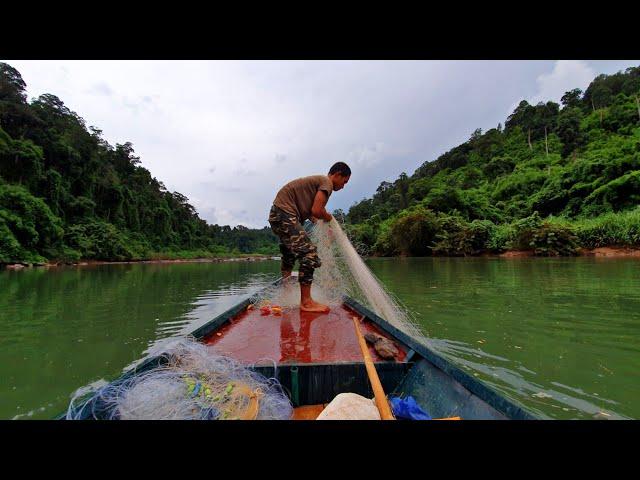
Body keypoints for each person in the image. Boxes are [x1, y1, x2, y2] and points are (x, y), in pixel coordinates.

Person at [268, 162, 351, 312]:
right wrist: (329, 218)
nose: (344, 186)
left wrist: (325, 226)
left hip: (278, 214)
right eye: (344, 182)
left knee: (289, 253)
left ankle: (286, 291)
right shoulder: (327, 183)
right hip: (285, 212)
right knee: (309, 254)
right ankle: (306, 302)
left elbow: (313, 214)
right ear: (337, 175)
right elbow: (318, 210)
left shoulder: (319, 182)